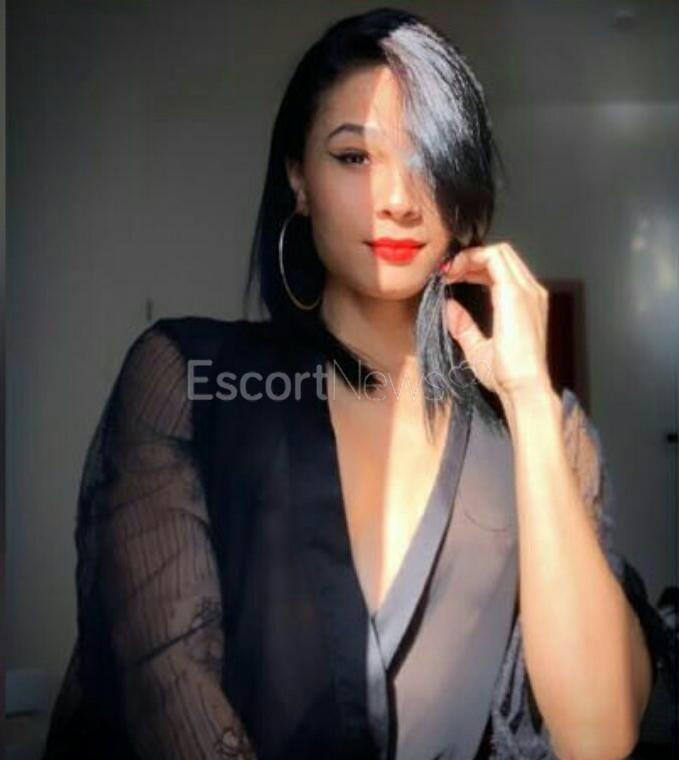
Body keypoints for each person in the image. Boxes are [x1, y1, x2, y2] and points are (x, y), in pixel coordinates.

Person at [42, 7, 667, 760]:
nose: (396, 198)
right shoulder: (192, 380)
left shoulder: (544, 430)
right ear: (298, 180)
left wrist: (529, 398)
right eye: (354, 157)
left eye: (426, 156)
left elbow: (599, 735)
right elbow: (165, 693)